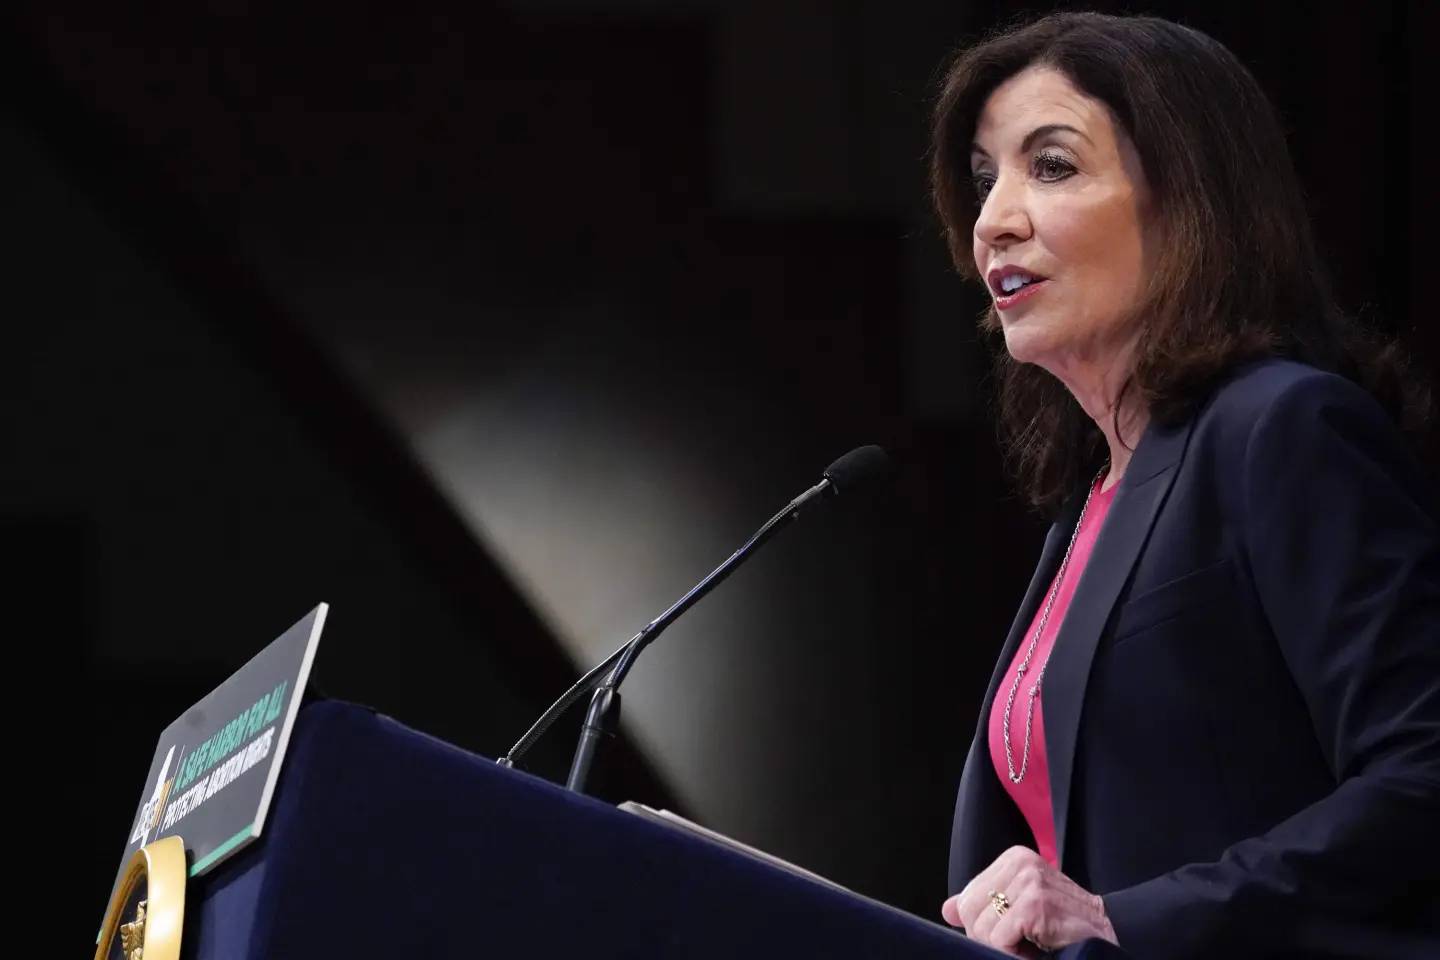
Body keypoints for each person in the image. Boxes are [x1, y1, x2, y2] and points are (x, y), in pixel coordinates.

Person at [926, 12, 1439, 959]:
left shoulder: (1281, 427)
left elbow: (1424, 767)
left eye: (1051, 166)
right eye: (985, 175)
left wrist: (1127, 919)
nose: (993, 216)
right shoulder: (1088, 502)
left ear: (1189, 201)